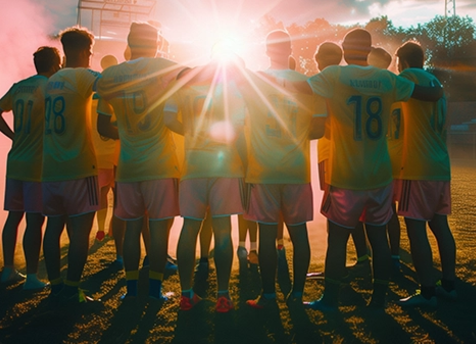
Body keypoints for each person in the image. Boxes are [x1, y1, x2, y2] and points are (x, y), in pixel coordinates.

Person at [283, 28, 442, 311]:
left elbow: (300, 87)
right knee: (378, 238)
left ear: (344, 49)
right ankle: (378, 299)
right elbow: (427, 94)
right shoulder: (386, 78)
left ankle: (330, 300)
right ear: (369, 50)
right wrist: (439, 88)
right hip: (380, 174)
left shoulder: (334, 75)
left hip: (346, 174)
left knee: (338, 240)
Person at [238, 30, 327, 309]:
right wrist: (295, 136)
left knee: (266, 235)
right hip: (295, 170)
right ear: (290, 49)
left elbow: (240, 119)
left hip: (263, 170)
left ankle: (268, 295)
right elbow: (317, 129)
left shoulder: (255, 82)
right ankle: (297, 295)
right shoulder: (310, 85)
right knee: (298, 234)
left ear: (267, 50)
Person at [97, 22, 182, 301]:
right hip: (160, 164)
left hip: (129, 165)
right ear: (156, 44)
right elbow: (196, 75)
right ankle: (155, 291)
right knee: (158, 232)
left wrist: (128, 131)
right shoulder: (164, 67)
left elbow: (102, 125)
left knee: (132, 230)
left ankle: (132, 290)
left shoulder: (111, 75)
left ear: (130, 44)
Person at [164, 56, 246, 313]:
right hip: (224, 166)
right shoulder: (229, 91)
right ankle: (223, 295)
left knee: (189, 228)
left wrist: (188, 130)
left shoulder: (184, 91)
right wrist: (246, 164)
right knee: (223, 229)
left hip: (194, 166)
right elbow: (239, 129)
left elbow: (168, 119)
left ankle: (186, 294)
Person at [0, 46, 61, 290]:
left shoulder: (19, 86)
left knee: (13, 217)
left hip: (16, 160)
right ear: (54, 66)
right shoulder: (49, 88)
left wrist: (13, 136)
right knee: (35, 221)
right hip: (37, 164)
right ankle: (31, 276)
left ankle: (8, 269)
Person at [393, 42, 457, 307]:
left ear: (403, 62)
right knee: (440, 225)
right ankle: (449, 284)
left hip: (417, 167)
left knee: (415, 228)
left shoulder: (408, 78)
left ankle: (427, 290)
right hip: (440, 165)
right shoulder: (434, 81)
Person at [42, 26, 101, 305]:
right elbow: (110, 85)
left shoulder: (51, 81)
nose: (91, 57)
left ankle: (54, 286)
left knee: (53, 228)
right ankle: (72, 289)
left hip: (51, 168)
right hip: (79, 167)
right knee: (81, 233)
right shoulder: (83, 75)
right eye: (90, 52)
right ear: (80, 51)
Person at [367, 46, 402, 273]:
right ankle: (393, 256)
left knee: (384, 213)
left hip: (381, 158)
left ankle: (386, 258)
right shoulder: (393, 87)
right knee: (389, 211)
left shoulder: (377, 89)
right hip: (392, 157)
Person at [91, 54, 119, 242]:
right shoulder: (117, 93)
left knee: (101, 194)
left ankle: (101, 229)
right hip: (116, 155)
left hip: (97, 153)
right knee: (118, 197)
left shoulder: (93, 94)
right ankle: (112, 229)